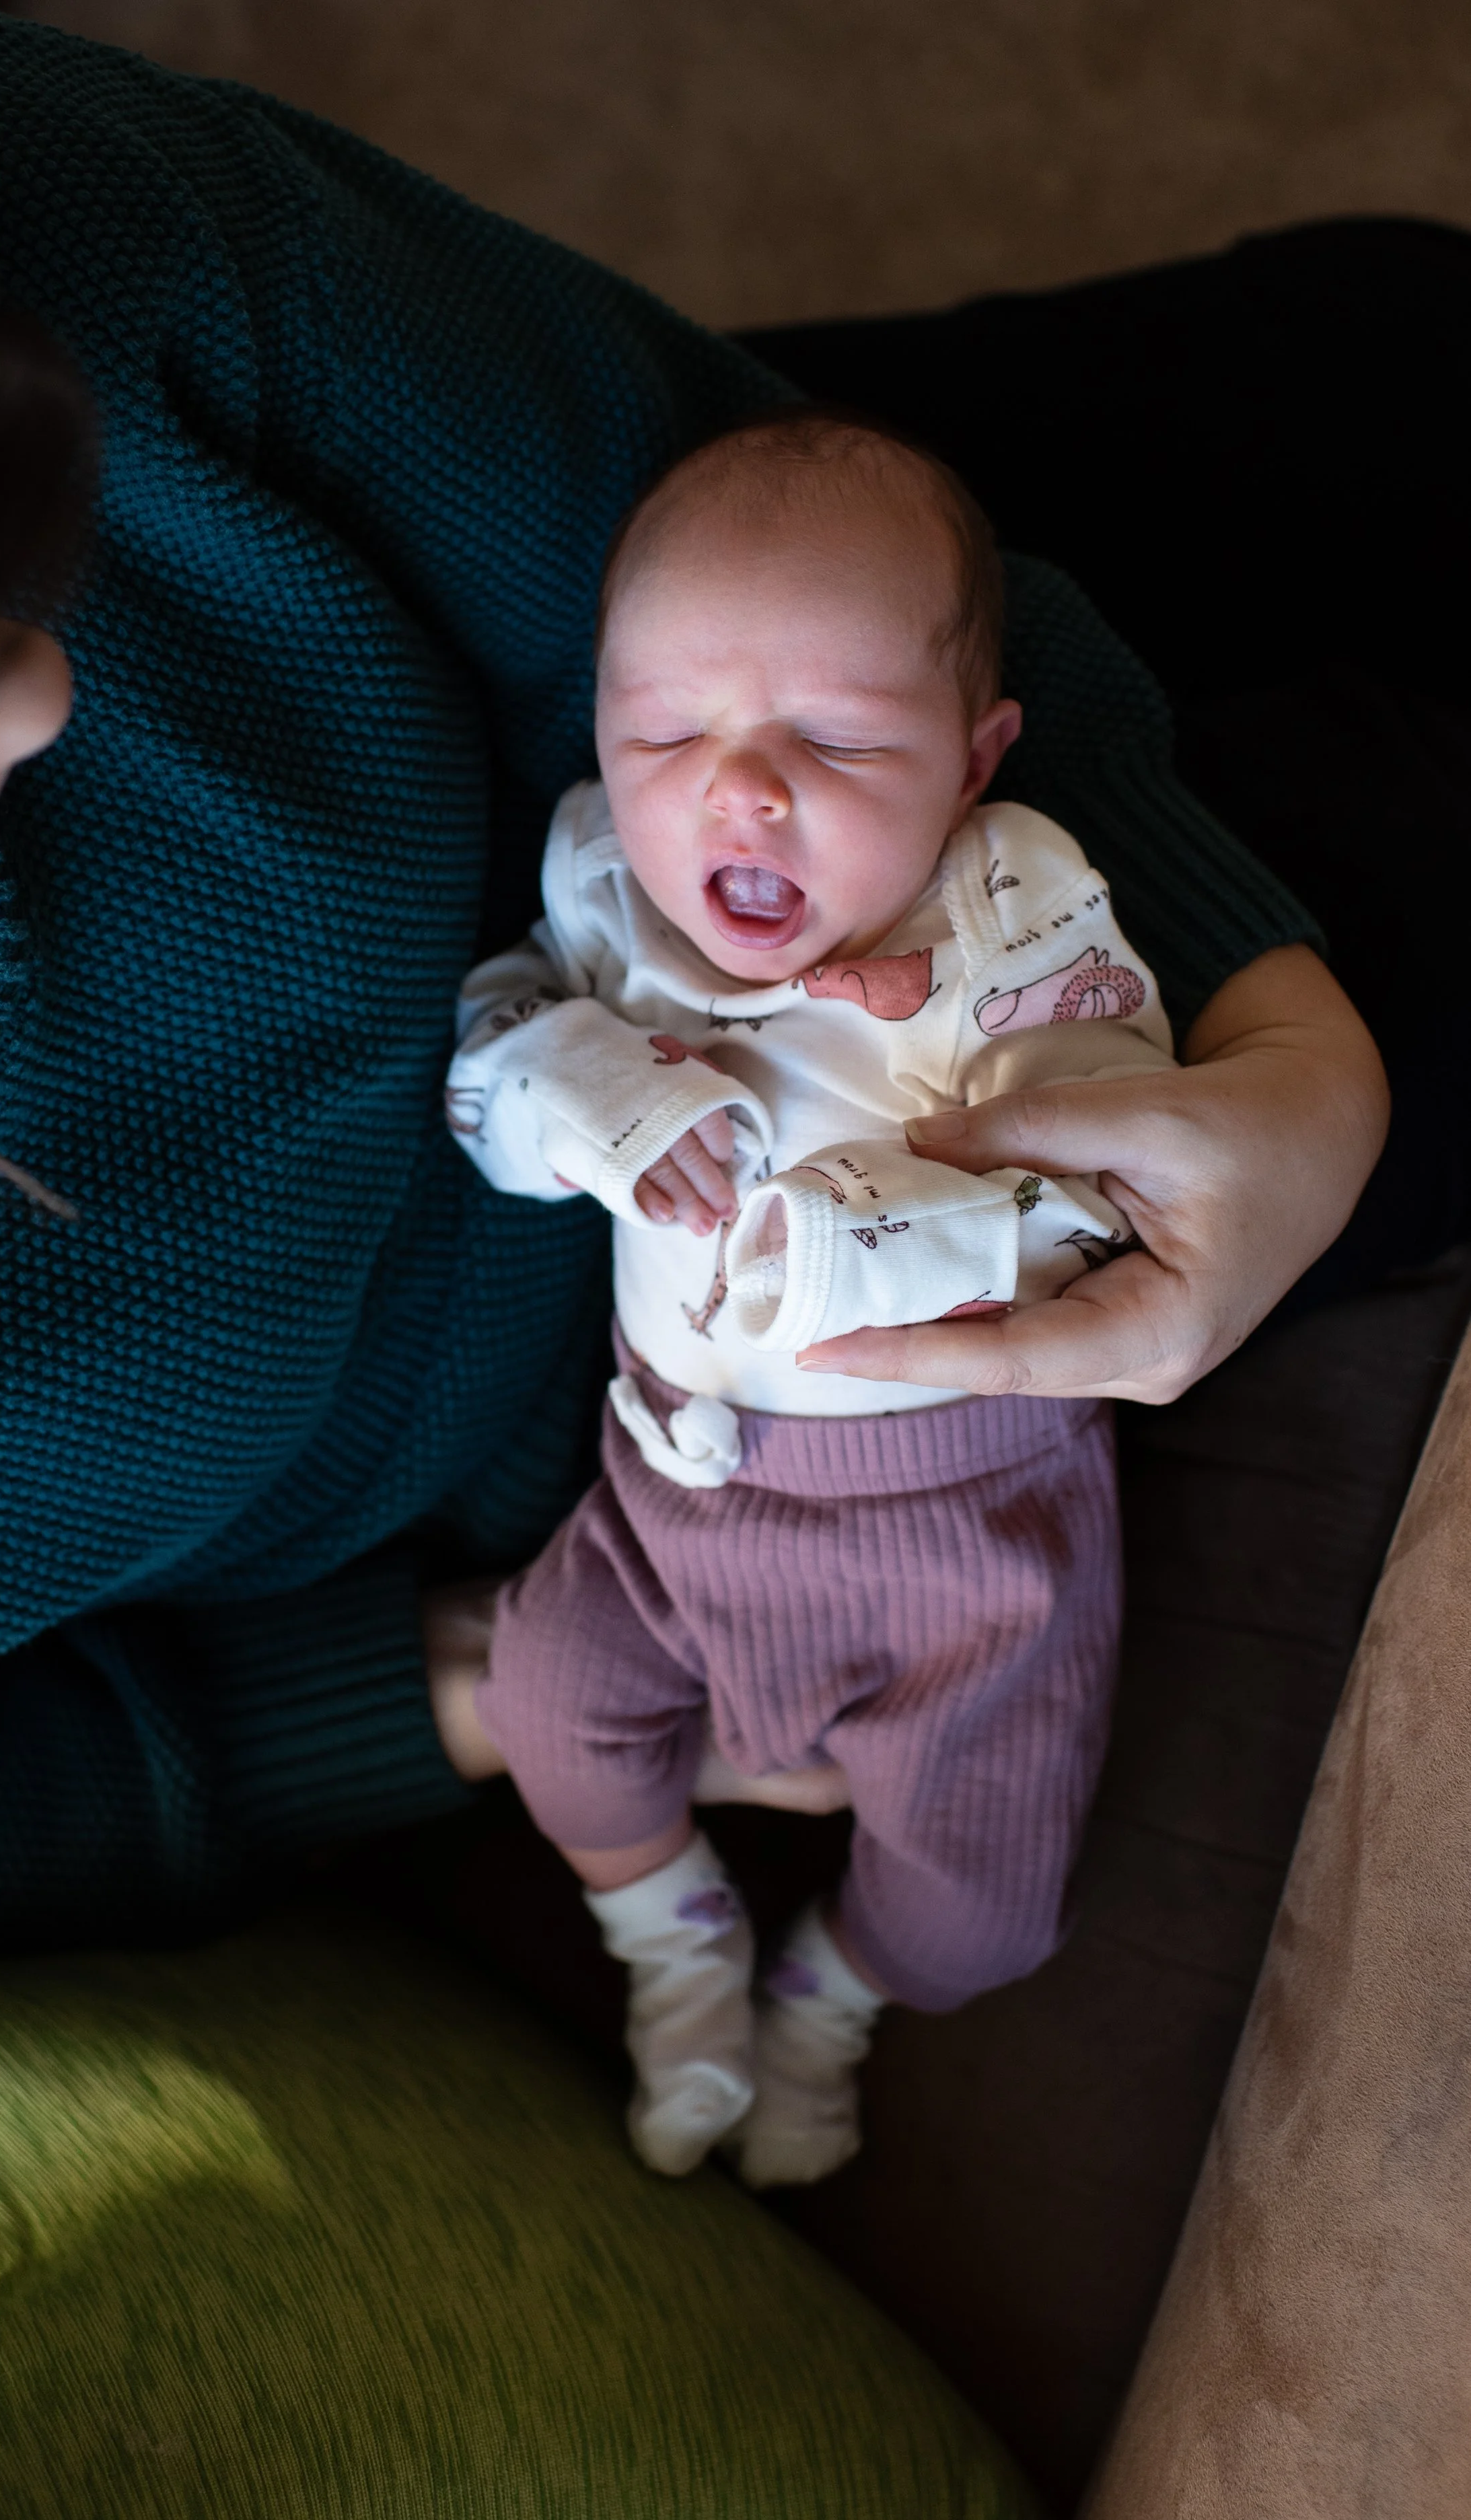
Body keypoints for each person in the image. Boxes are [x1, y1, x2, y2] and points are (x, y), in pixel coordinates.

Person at [0, 1, 1384, 1977]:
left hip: (776, 700)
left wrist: (1286, 1039)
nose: (49, 686)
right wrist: (489, 1677)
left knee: (1381, 358)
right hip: (618, 1487)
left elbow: (694, 503)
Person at [449, 414, 1178, 2184]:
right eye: (666, 732)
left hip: (970, 1538)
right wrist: (579, 1089)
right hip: (672, 1500)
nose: (740, 790)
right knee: (548, 1703)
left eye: (837, 738)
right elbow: (485, 1060)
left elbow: (1113, 1186)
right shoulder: (610, 899)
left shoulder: (1009, 919)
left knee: (981, 1919)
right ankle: (670, 1942)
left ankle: (832, 1989)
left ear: (973, 756)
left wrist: (867, 1230)